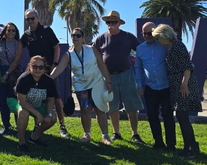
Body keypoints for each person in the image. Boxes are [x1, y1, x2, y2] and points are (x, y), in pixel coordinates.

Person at [52, 27, 113, 144]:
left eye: (78, 35)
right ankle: (87, 134)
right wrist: (49, 79)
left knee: (100, 109)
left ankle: (105, 136)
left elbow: (102, 65)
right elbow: (59, 68)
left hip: (96, 84)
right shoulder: (68, 54)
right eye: (73, 35)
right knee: (85, 110)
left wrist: (108, 82)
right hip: (81, 86)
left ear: (83, 38)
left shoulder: (92, 50)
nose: (75, 38)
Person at [92, 10, 144, 144]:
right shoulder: (100, 38)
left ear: (119, 23)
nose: (110, 24)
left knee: (131, 105)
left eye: (113, 22)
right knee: (112, 106)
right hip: (109, 78)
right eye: (108, 22)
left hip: (126, 75)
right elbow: (93, 53)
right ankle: (116, 133)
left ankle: (135, 133)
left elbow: (141, 51)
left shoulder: (128, 37)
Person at [152, 24, 202, 158]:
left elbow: (187, 67)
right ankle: (191, 146)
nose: (158, 41)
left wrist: (184, 84)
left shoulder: (178, 46)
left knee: (182, 116)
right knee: (181, 116)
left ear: (165, 36)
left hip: (182, 85)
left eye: (158, 38)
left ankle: (190, 148)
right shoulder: (171, 47)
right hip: (176, 85)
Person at [20, 9, 68, 138]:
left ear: (37, 18)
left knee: (56, 99)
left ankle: (62, 126)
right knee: (36, 98)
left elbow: (57, 47)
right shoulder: (26, 35)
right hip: (34, 73)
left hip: (49, 73)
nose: (30, 21)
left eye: (32, 18)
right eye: (27, 19)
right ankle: (37, 124)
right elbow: (18, 47)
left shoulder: (47, 30)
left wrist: (55, 64)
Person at [134, 22, 173, 149]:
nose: (147, 36)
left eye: (149, 33)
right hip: (150, 87)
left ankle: (171, 144)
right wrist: (140, 85)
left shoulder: (164, 45)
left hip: (166, 86)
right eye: (144, 33)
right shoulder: (140, 49)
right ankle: (159, 142)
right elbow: (138, 68)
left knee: (167, 114)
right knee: (152, 115)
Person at [16, 56, 58, 152]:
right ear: (30, 66)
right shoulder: (23, 79)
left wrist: (49, 114)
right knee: (23, 113)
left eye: (40, 67)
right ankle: (21, 142)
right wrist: (37, 114)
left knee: (53, 117)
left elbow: (51, 100)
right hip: (18, 102)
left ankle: (34, 137)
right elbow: (22, 101)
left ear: (44, 68)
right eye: (35, 66)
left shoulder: (49, 81)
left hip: (37, 103)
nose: (37, 69)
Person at [0, 22, 23, 135]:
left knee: (15, 101)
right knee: (3, 101)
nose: (11, 32)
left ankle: (19, 127)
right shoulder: (0, 43)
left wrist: (7, 74)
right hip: (0, 73)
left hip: (13, 75)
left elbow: (16, 61)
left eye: (13, 31)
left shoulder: (18, 44)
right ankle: (6, 126)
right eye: (9, 30)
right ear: (5, 31)